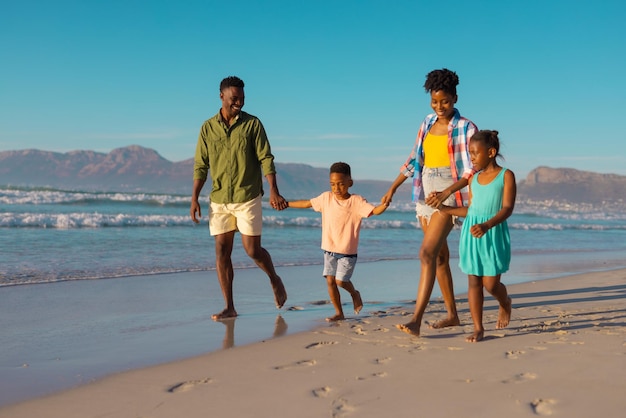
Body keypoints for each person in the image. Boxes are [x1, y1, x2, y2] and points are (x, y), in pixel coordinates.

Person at [381, 68, 477, 336]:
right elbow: (414, 160)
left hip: (449, 193)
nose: (439, 107)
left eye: (444, 101)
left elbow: (472, 169)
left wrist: (447, 193)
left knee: (426, 253)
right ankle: (453, 316)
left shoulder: (466, 128)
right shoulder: (426, 123)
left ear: (455, 98)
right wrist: (392, 188)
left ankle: (416, 319)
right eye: (434, 102)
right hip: (425, 192)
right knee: (440, 258)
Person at [190, 75, 288, 321]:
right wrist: (194, 198)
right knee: (221, 251)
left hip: (247, 196)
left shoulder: (253, 125)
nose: (239, 103)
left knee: (252, 250)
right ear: (221, 96)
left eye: (243, 99)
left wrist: (273, 190)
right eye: (235, 98)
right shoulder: (207, 128)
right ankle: (229, 306)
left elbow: (266, 157)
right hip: (220, 198)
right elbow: (201, 165)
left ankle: (274, 279)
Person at [438, 130, 515, 342]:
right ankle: (478, 328)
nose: (471, 157)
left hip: (492, 233)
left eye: (475, 153)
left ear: (491, 152)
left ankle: (505, 302)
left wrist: (488, 225)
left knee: (491, 285)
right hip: (472, 234)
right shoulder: (474, 179)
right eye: (470, 153)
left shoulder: (506, 176)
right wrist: (446, 209)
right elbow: (471, 210)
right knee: (473, 282)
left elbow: (507, 208)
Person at [287, 162, 389, 321]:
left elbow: (374, 211)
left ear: (350, 183)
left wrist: (385, 204)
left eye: (341, 184)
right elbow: (307, 203)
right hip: (329, 250)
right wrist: (286, 204)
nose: (336, 188)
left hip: (347, 252)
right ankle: (339, 313)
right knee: (330, 281)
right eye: (333, 184)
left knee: (341, 281)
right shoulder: (326, 198)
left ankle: (355, 294)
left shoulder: (356, 201)